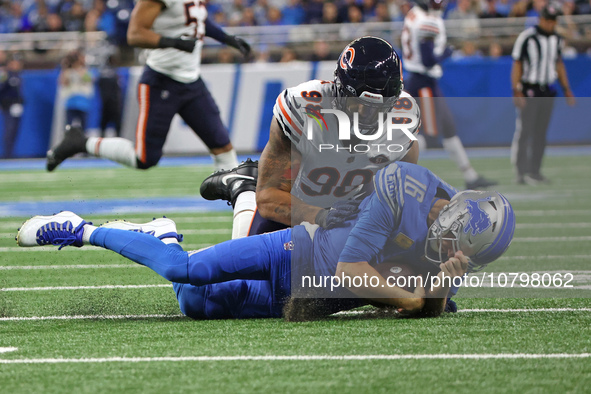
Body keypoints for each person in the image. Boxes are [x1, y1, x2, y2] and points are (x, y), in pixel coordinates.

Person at [16, 162, 516, 320]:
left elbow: (431, 310)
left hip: (300, 295)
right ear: (457, 212)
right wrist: (413, 296)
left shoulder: (444, 246)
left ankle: (161, 230)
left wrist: (442, 285)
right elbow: (351, 271)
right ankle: (81, 228)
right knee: (183, 271)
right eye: (458, 243)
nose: (451, 251)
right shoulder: (402, 186)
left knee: (194, 305)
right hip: (298, 248)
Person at [200, 36, 421, 239]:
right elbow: (269, 198)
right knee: (245, 277)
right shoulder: (304, 109)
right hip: (295, 202)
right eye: (358, 103)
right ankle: (244, 190)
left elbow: (394, 197)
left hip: (345, 211)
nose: (366, 115)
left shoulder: (404, 122)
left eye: (378, 107)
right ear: (339, 89)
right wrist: (321, 217)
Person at [46, 0, 251, 173]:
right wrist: (174, 43)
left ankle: (241, 208)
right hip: (161, 81)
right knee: (144, 158)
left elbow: (194, 18)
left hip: (191, 81)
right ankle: (81, 142)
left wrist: (226, 38)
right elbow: (135, 34)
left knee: (223, 147)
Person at [401, 0, 497, 190]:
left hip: (420, 80)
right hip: (423, 83)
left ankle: (470, 175)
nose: (441, 4)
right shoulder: (426, 20)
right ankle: (400, 180)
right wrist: (447, 53)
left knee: (447, 127)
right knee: (423, 136)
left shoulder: (414, 14)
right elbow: (429, 60)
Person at [510, 2, 576, 185]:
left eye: (553, 20)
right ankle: (521, 172)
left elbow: (559, 64)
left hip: (548, 89)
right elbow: (517, 64)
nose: (550, 24)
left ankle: (535, 171)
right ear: (541, 19)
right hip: (530, 88)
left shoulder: (556, 39)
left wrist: (567, 89)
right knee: (526, 131)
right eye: (548, 20)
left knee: (541, 133)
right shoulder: (527, 37)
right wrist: (516, 89)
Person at [59, 49, 94, 133]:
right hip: (71, 102)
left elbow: (89, 79)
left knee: (83, 127)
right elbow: (63, 83)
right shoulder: (67, 72)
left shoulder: (85, 71)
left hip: (83, 103)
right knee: (68, 126)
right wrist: (65, 68)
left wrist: (80, 70)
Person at [0, 54, 24, 159]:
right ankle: (8, 155)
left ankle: (11, 153)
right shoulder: (5, 74)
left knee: (14, 131)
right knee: (9, 130)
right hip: (9, 106)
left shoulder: (17, 75)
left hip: (17, 106)